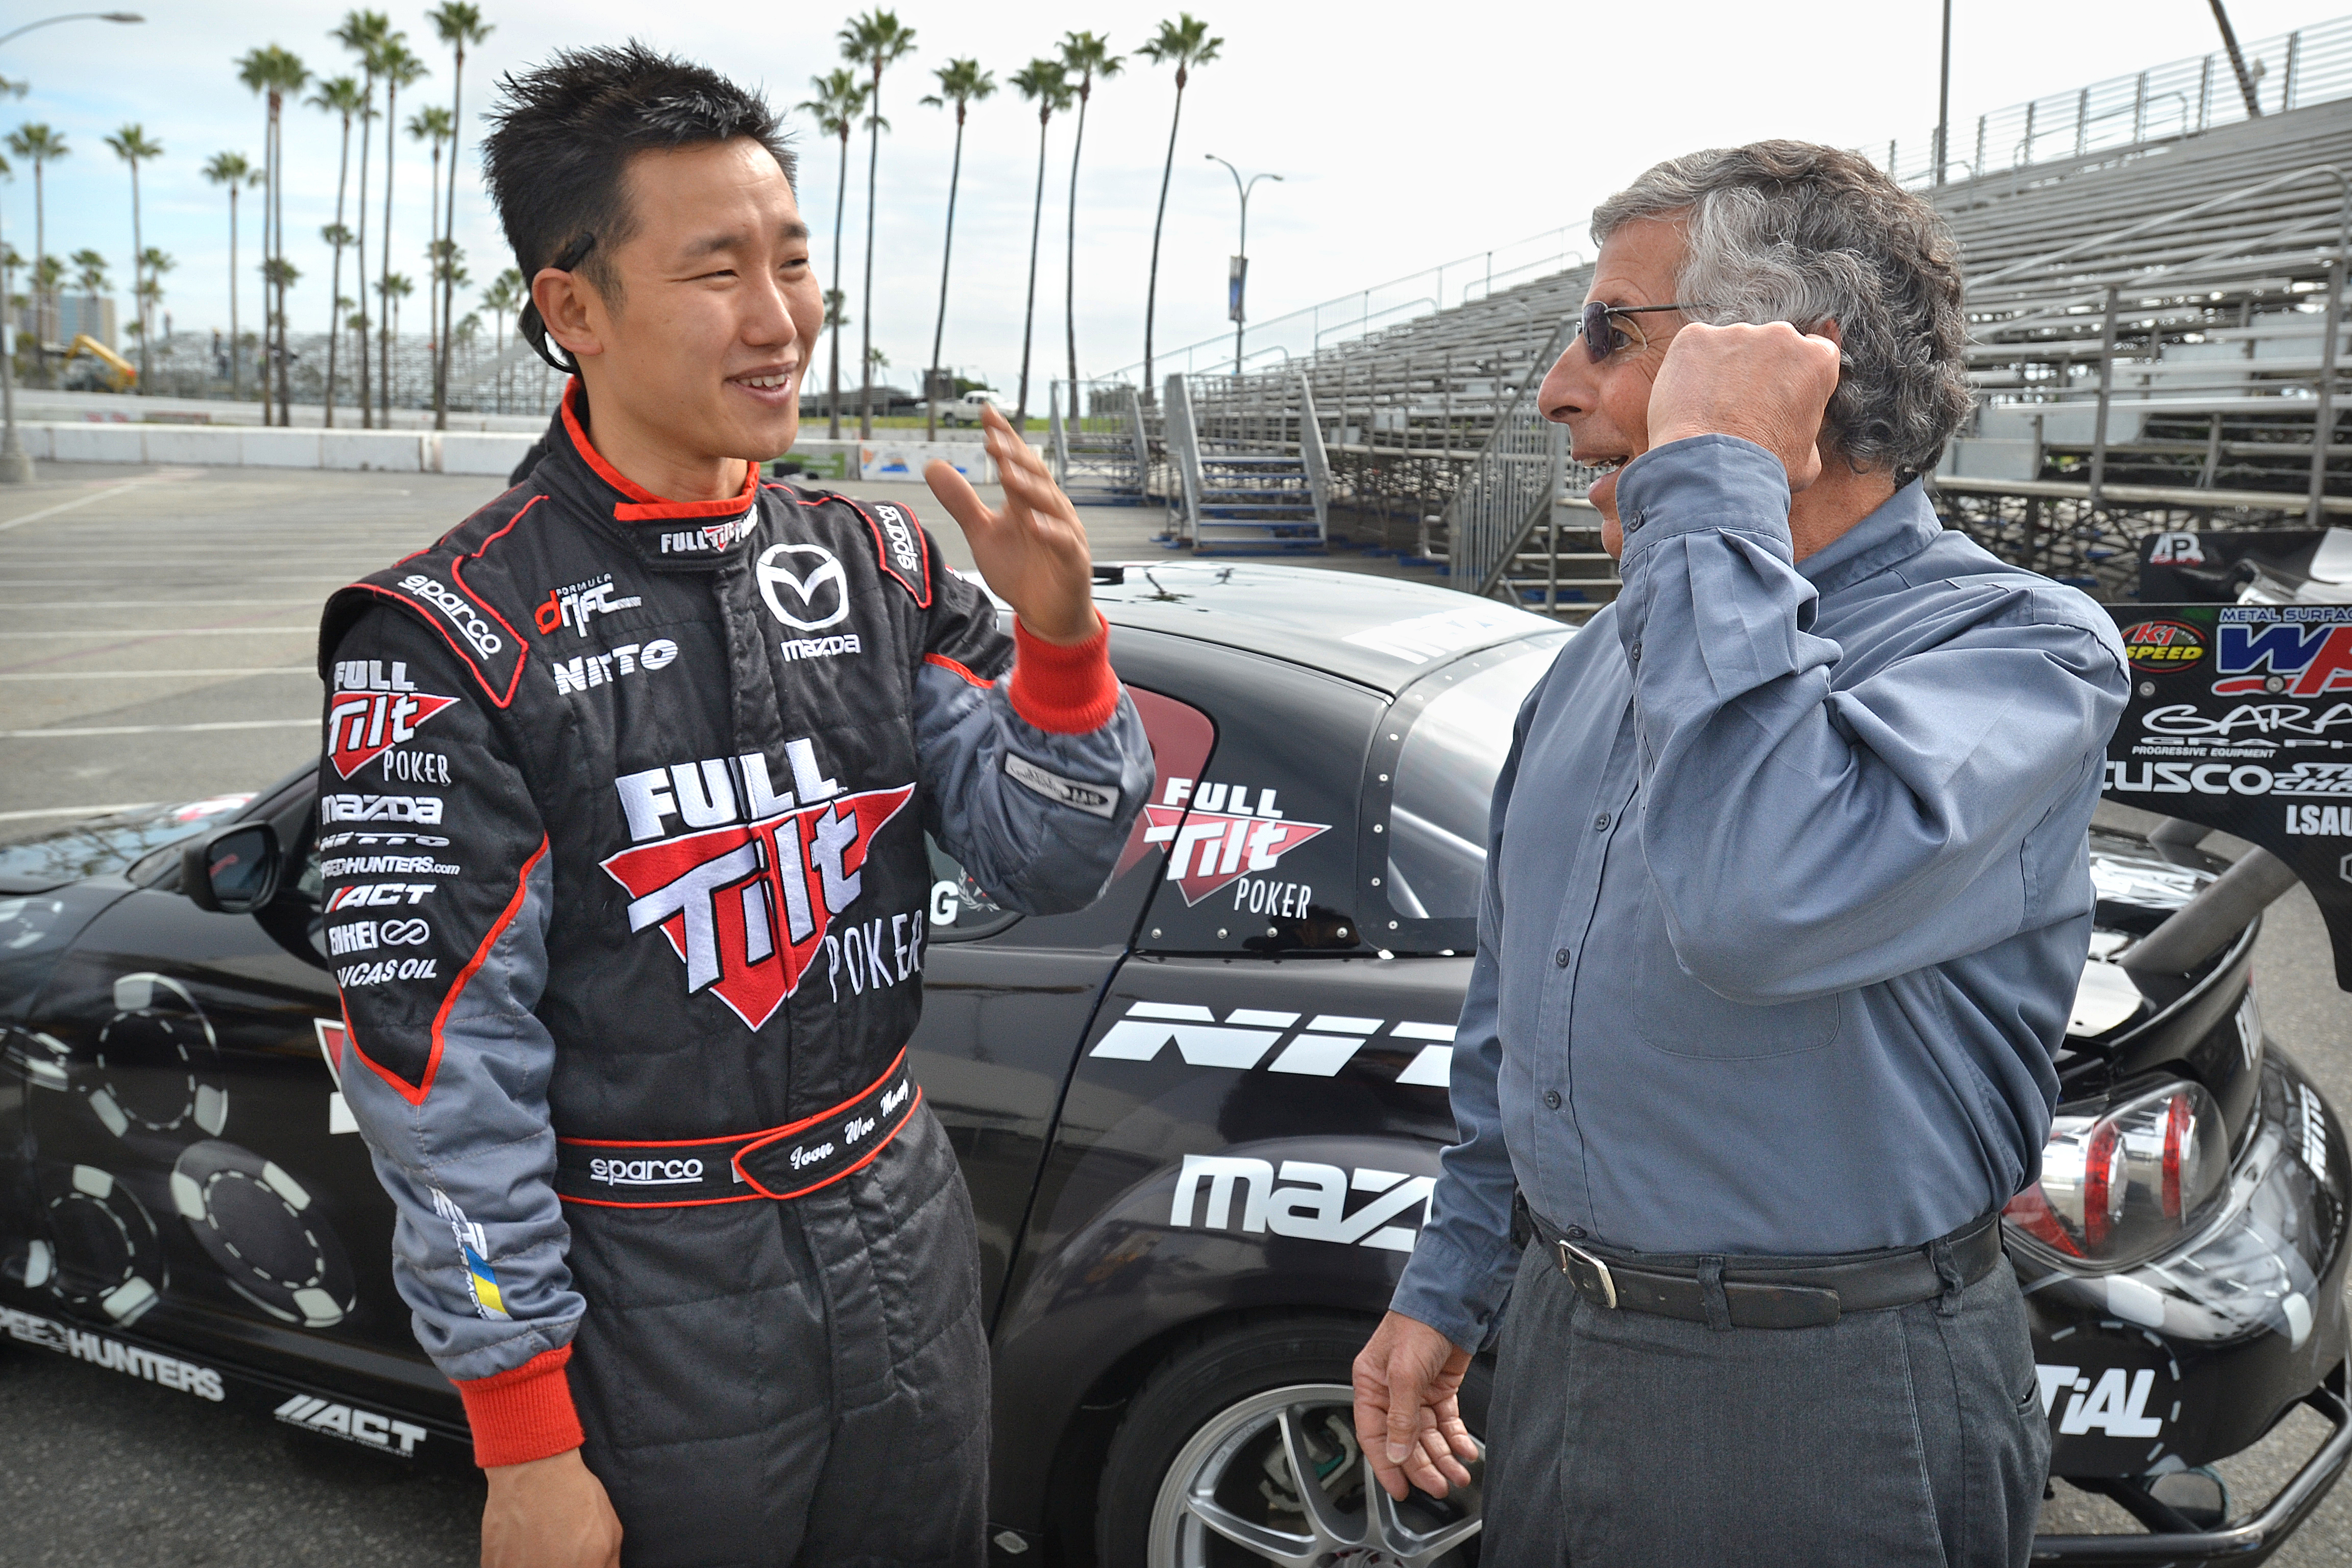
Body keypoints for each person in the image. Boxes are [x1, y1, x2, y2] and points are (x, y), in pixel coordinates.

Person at [315, 44, 1152, 1568]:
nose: (780, 322)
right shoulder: (452, 635)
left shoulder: (880, 568)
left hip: (899, 1213)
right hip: (647, 1284)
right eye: (716, 272)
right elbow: (443, 1083)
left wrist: (1062, 650)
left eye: (793, 260)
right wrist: (526, 1441)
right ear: (572, 309)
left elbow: (1052, 855)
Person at [1352, 141, 2127, 1567]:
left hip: (1821, 1401)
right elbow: (1517, 1026)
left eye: (1610, 335)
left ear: (1789, 365)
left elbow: (1759, 897)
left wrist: (1712, 482)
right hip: (1566, 1344)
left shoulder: (2020, 650)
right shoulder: (1592, 669)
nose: (1559, 390)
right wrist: (1450, 1283)